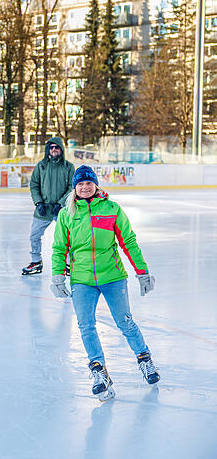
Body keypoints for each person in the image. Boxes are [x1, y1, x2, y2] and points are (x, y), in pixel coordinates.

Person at [51, 165, 159, 401]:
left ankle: (145, 359)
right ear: (75, 188)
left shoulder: (112, 209)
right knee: (85, 325)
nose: (85, 187)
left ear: (96, 185)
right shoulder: (67, 214)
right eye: (80, 184)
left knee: (125, 322)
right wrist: (57, 274)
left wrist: (142, 272)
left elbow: (128, 241)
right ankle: (99, 371)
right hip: (82, 279)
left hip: (112, 276)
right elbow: (60, 248)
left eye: (89, 183)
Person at [22, 137, 74, 275]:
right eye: (51, 147)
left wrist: (61, 203)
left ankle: (68, 264)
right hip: (43, 209)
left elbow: (72, 187)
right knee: (34, 236)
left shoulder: (68, 167)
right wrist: (38, 203)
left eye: (56, 147)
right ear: (48, 150)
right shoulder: (41, 166)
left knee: (67, 237)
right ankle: (36, 262)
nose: (54, 150)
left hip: (61, 209)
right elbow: (34, 185)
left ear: (61, 149)